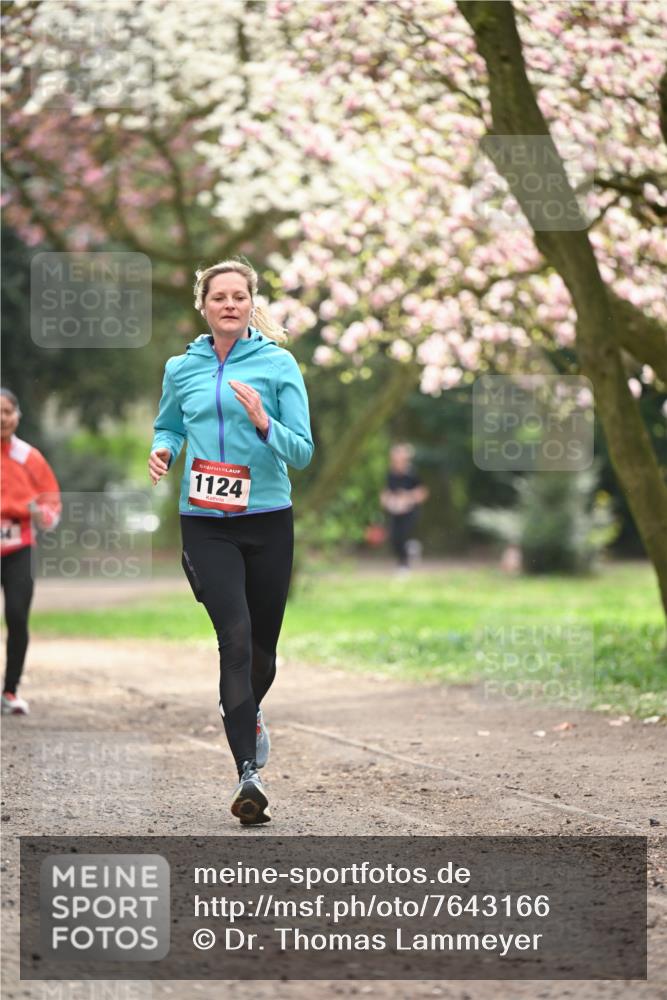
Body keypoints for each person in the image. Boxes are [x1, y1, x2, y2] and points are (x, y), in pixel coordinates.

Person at [149, 258, 314, 826]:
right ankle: (249, 774)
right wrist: (164, 449)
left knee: (263, 652)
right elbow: (169, 424)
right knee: (235, 639)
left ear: (251, 303)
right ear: (203, 305)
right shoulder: (181, 368)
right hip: (205, 521)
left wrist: (265, 422)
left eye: (238, 296)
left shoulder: (277, 364)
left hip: (268, 519)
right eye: (218, 296)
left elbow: (302, 451)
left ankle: (247, 712)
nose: (229, 304)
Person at [1, 388, 61, 715]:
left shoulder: (29, 457)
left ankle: (10, 690)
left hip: (19, 548)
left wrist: (44, 516)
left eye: (7, 411)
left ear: (17, 416)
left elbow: (51, 500)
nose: (2, 418)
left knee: (17, 616)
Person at [380, 443, 429, 574]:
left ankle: (404, 564)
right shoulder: (390, 474)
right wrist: (386, 500)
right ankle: (408, 553)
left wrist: (408, 497)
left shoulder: (412, 473)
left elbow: (422, 492)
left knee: (402, 535)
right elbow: (387, 491)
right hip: (395, 511)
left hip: (410, 511)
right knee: (394, 537)